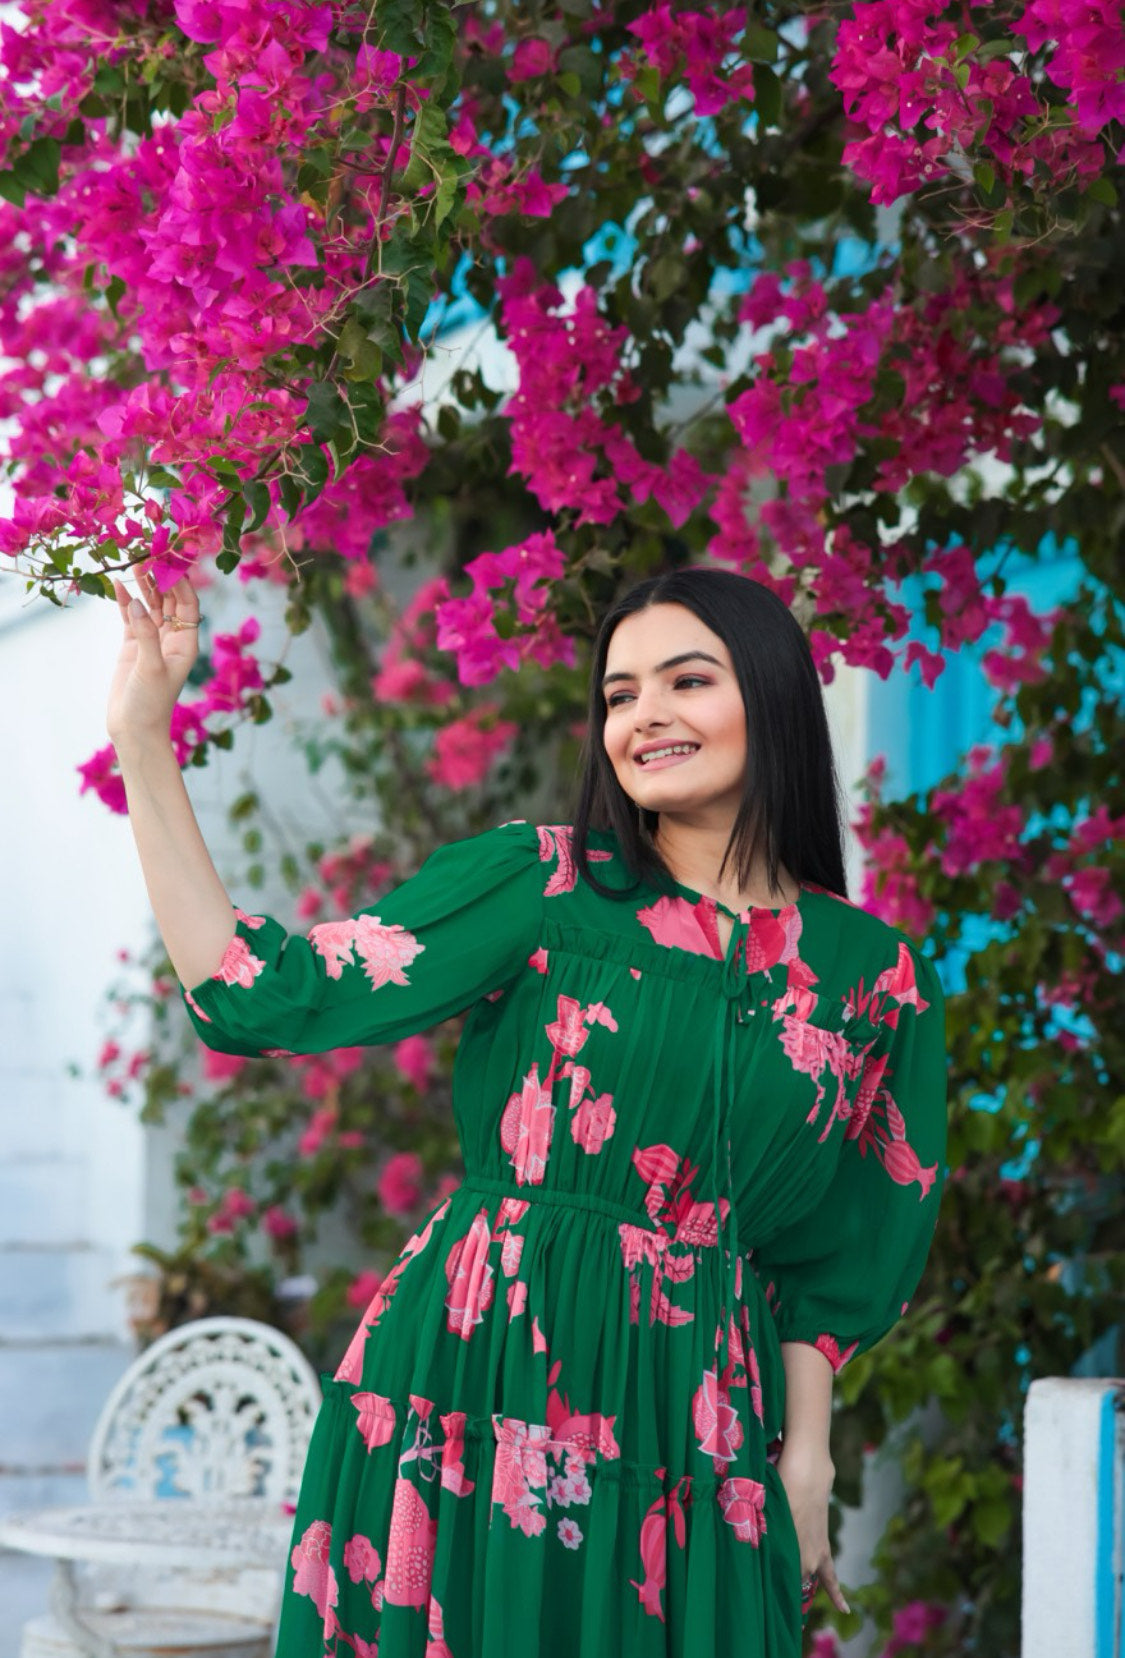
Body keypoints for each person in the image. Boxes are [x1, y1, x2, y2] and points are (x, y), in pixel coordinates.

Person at [108, 563, 947, 1658]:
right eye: (619, 693)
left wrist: (806, 1461)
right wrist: (142, 734)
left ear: (775, 697)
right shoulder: (542, 883)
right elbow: (254, 993)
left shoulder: (869, 973)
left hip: (692, 1422)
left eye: (686, 680)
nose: (645, 715)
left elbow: (835, 1258)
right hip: (472, 1381)